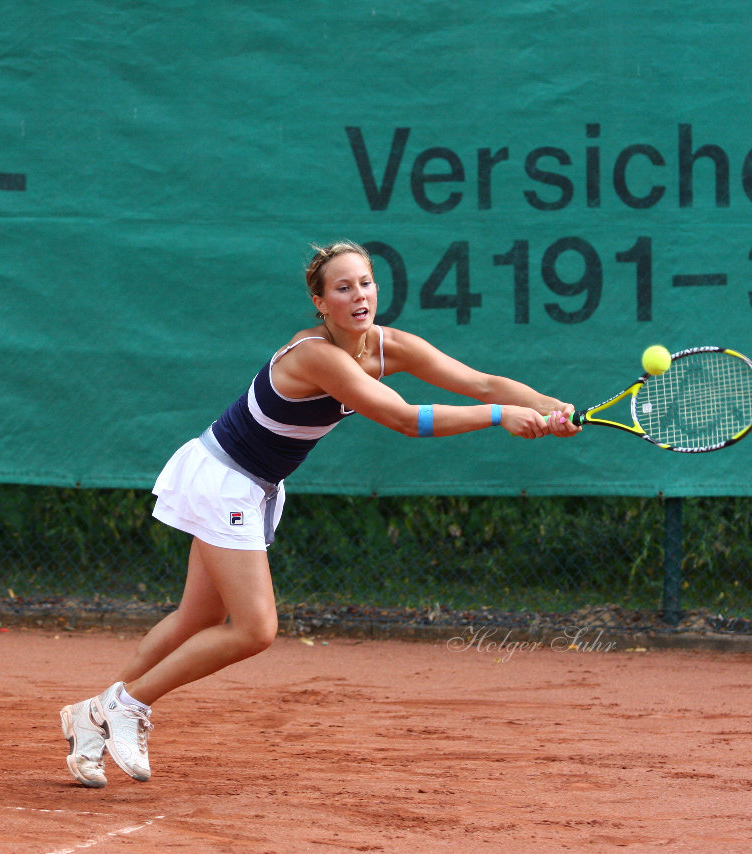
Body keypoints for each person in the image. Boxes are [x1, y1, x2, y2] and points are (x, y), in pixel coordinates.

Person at [58, 240, 580, 787]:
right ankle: (125, 706)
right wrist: (499, 417)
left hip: (252, 484)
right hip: (224, 480)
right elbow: (404, 418)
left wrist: (550, 407)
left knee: (198, 620)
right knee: (255, 629)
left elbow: (482, 382)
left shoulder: (389, 346)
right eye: (343, 287)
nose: (359, 295)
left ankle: (92, 718)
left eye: (366, 283)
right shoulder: (315, 355)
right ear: (320, 302)